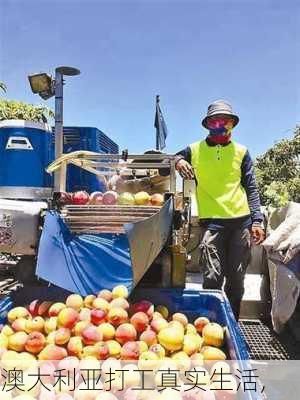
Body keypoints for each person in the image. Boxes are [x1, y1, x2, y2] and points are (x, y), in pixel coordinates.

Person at [175, 100, 265, 319]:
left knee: (236, 280)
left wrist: (257, 220)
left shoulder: (242, 152)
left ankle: (232, 322)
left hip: (241, 223)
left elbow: (251, 188)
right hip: (212, 224)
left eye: (225, 122)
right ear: (208, 125)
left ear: (232, 124)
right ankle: (212, 322)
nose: (220, 126)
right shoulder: (194, 150)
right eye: (215, 122)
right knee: (212, 278)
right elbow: (175, 156)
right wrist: (179, 161)